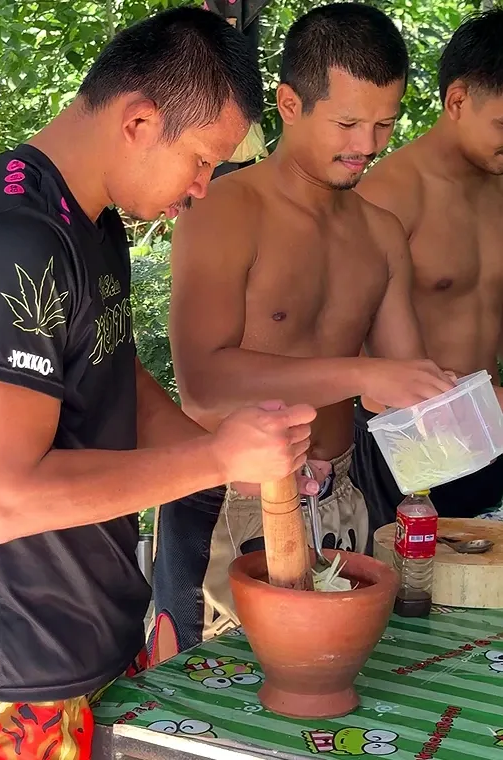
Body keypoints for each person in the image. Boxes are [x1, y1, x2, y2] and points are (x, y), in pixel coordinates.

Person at [0, 8, 322, 760]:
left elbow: (119, 373)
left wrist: (228, 458)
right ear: (141, 120)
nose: (205, 187)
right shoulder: (14, 245)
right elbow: (5, 498)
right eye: (203, 160)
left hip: (94, 629)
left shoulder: (89, 217)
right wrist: (214, 460)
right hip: (16, 675)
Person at [149, 2, 455, 656]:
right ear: (290, 104)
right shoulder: (225, 207)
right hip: (229, 501)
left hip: (342, 497)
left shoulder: (382, 234)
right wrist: (363, 372)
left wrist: (456, 405)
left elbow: (398, 398)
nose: (369, 145)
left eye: (384, 124)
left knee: (330, 680)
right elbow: (204, 383)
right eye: (347, 122)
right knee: (207, 712)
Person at [351, 8, 503, 536]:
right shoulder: (389, 195)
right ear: (457, 100)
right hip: (408, 450)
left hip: (493, 435)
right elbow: (339, 342)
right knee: (410, 607)